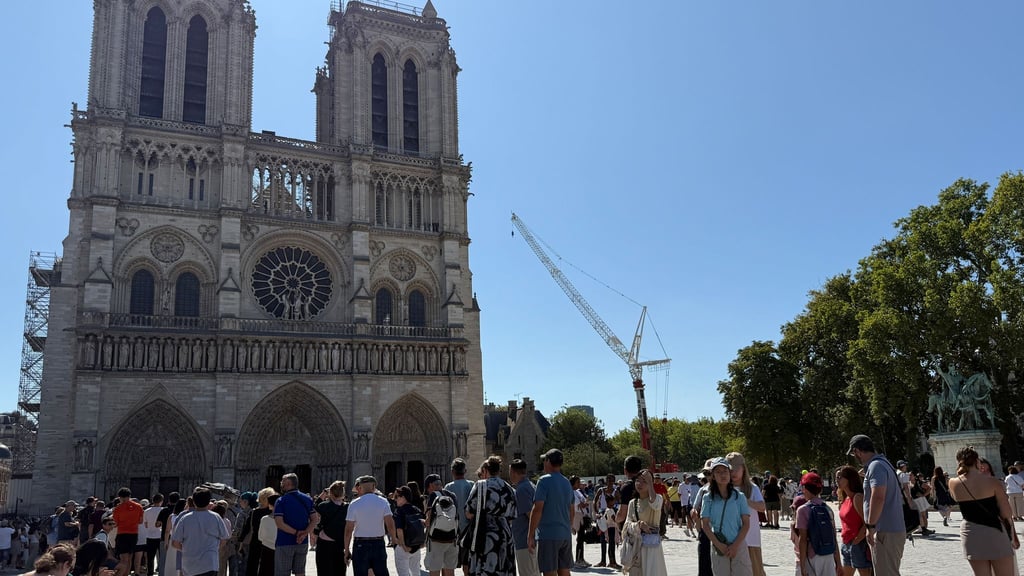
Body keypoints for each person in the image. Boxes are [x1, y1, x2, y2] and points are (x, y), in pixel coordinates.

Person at [948, 446, 1020, 576]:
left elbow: (955, 497)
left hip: (970, 533)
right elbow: (1006, 513)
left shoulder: (953, 483)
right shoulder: (992, 482)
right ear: (977, 462)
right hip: (994, 532)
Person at [847, 434, 905, 576]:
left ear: (857, 451)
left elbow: (878, 497)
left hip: (884, 530)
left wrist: (870, 526)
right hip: (890, 529)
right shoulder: (882, 463)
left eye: (854, 454)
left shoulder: (876, 466)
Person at [465, 456, 516, 576]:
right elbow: (513, 514)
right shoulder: (508, 488)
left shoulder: (480, 485)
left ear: (486, 471)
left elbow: (468, 512)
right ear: (499, 470)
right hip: (505, 535)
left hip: (485, 534)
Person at [700, 457, 751, 576]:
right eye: (718, 472)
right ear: (712, 475)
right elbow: (705, 524)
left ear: (730, 473)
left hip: (738, 544)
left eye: (725, 471)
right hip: (719, 546)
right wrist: (719, 545)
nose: (722, 475)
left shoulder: (740, 496)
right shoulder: (708, 498)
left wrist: (735, 546)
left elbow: (746, 523)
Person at [528, 449, 574, 576]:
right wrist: (568, 527)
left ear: (548, 461)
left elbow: (537, 509)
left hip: (548, 535)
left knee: (549, 571)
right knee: (565, 571)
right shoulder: (566, 482)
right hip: (564, 534)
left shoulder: (544, 481)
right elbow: (572, 509)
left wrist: (530, 534)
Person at [343, 475, 397, 576]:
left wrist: (346, 550)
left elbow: (348, 530)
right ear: (373, 487)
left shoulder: (354, 504)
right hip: (378, 543)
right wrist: (394, 539)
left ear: (360, 487)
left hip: (360, 544)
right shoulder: (383, 502)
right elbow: (390, 523)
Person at [171, 487, 231, 576]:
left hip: (190, 564)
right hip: (210, 563)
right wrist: (214, 549)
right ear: (209, 501)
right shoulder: (216, 517)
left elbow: (175, 543)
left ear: (194, 502)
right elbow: (224, 539)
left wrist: (187, 549)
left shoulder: (185, 519)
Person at [622, 470, 668, 576]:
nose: (640, 484)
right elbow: (626, 525)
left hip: (651, 547)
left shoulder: (658, 499)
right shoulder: (632, 503)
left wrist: (651, 483)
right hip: (636, 547)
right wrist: (638, 525)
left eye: (644, 481)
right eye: (637, 481)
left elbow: (654, 504)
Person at [726, 452, 765, 576]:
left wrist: (746, 501)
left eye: (737, 469)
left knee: (755, 571)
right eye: (730, 469)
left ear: (743, 468)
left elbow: (762, 507)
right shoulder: (724, 489)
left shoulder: (752, 488)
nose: (734, 473)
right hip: (730, 540)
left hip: (750, 540)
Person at [795, 472, 841, 576]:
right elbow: (833, 537)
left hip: (812, 555)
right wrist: (838, 563)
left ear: (805, 488)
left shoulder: (803, 510)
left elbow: (803, 539)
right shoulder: (828, 509)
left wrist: (802, 566)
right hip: (828, 554)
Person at [273, 473, 317, 576]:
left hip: (285, 542)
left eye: (282, 482)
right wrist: (305, 533)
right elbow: (314, 519)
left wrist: (297, 533)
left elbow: (279, 523)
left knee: (282, 573)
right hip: (302, 543)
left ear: (288, 483)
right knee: (300, 572)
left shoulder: (281, 501)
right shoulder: (307, 499)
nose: (281, 484)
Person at [835, 466, 872, 576]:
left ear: (849, 478)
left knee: (865, 573)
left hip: (858, 543)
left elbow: (868, 522)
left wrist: (858, 539)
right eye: (836, 477)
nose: (837, 480)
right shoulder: (844, 498)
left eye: (840, 477)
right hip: (846, 542)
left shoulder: (857, 497)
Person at [424, 473, 460, 576]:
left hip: (436, 540)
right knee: (449, 571)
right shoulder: (452, 495)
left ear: (431, 485)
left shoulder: (433, 495)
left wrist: (424, 522)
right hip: (452, 538)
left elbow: (429, 520)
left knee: (434, 570)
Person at [509, 459, 539, 576]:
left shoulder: (521, 490)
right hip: (530, 539)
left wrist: (530, 536)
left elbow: (530, 514)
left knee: (528, 573)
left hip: (524, 541)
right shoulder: (530, 485)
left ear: (513, 472)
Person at [444, 459, 474, 576]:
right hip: (469, 530)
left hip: (453, 531)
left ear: (452, 471)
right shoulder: (472, 485)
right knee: (467, 563)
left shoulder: (448, 487)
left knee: (449, 564)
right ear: (465, 471)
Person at [314, 481, 347, 576]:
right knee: (339, 571)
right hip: (340, 544)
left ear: (330, 493)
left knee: (323, 570)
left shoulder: (323, 506)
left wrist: (324, 493)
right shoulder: (348, 507)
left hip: (324, 543)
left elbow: (314, 507)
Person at [690, 460, 716, 576]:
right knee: (705, 561)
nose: (707, 476)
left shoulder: (728, 490)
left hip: (722, 530)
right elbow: (694, 508)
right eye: (705, 473)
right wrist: (695, 513)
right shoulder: (703, 490)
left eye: (709, 473)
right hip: (705, 530)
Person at [392, 486, 424, 576]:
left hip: (404, 547)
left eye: (397, 497)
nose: (395, 499)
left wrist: (403, 545)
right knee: (416, 572)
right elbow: (424, 526)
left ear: (403, 497)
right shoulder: (416, 509)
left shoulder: (399, 511)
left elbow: (399, 529)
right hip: (416, 546)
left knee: (403, 573)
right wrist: (423, 543)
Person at [112, 489, 144, 576]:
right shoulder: (139, 507)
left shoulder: (117, 509)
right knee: (129, 558)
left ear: (120, 497)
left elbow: (115, 524)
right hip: (134, 534)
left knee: (123, 559)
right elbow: (140, 521)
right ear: (129, 496)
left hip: (122, 534)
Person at [591, 473, 618, 569]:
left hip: (611, 515)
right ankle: (603, 561)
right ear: (606, 481)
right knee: (602, 539)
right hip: (602, 515)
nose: (610, 482)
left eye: (611, 480)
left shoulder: (616, 491)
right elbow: (595, 501)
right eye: (608, 480)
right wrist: (596, 512)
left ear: (614, 481)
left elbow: (619, 502)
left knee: (611, 539)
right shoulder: (601, 490)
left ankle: (612, 560)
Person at [246, 490, 275, 576]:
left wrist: (240, 541)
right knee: (268, 566)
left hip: (255, 541)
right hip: (269, 542)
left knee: (252, 565)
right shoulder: (272, 513)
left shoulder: (254, 512)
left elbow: (247, 528)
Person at [569, 476, 589, 568]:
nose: (579, 484)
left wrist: (585, 503)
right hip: (577, 516)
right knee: (579, 539)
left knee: (582, 538)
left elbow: (584, 501)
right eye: (577, 482)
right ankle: (577, 559)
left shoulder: (578, 492)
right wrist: (584, 504)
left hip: (582, 516)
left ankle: (581, 558)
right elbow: (580, 504)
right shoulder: (571, 492)